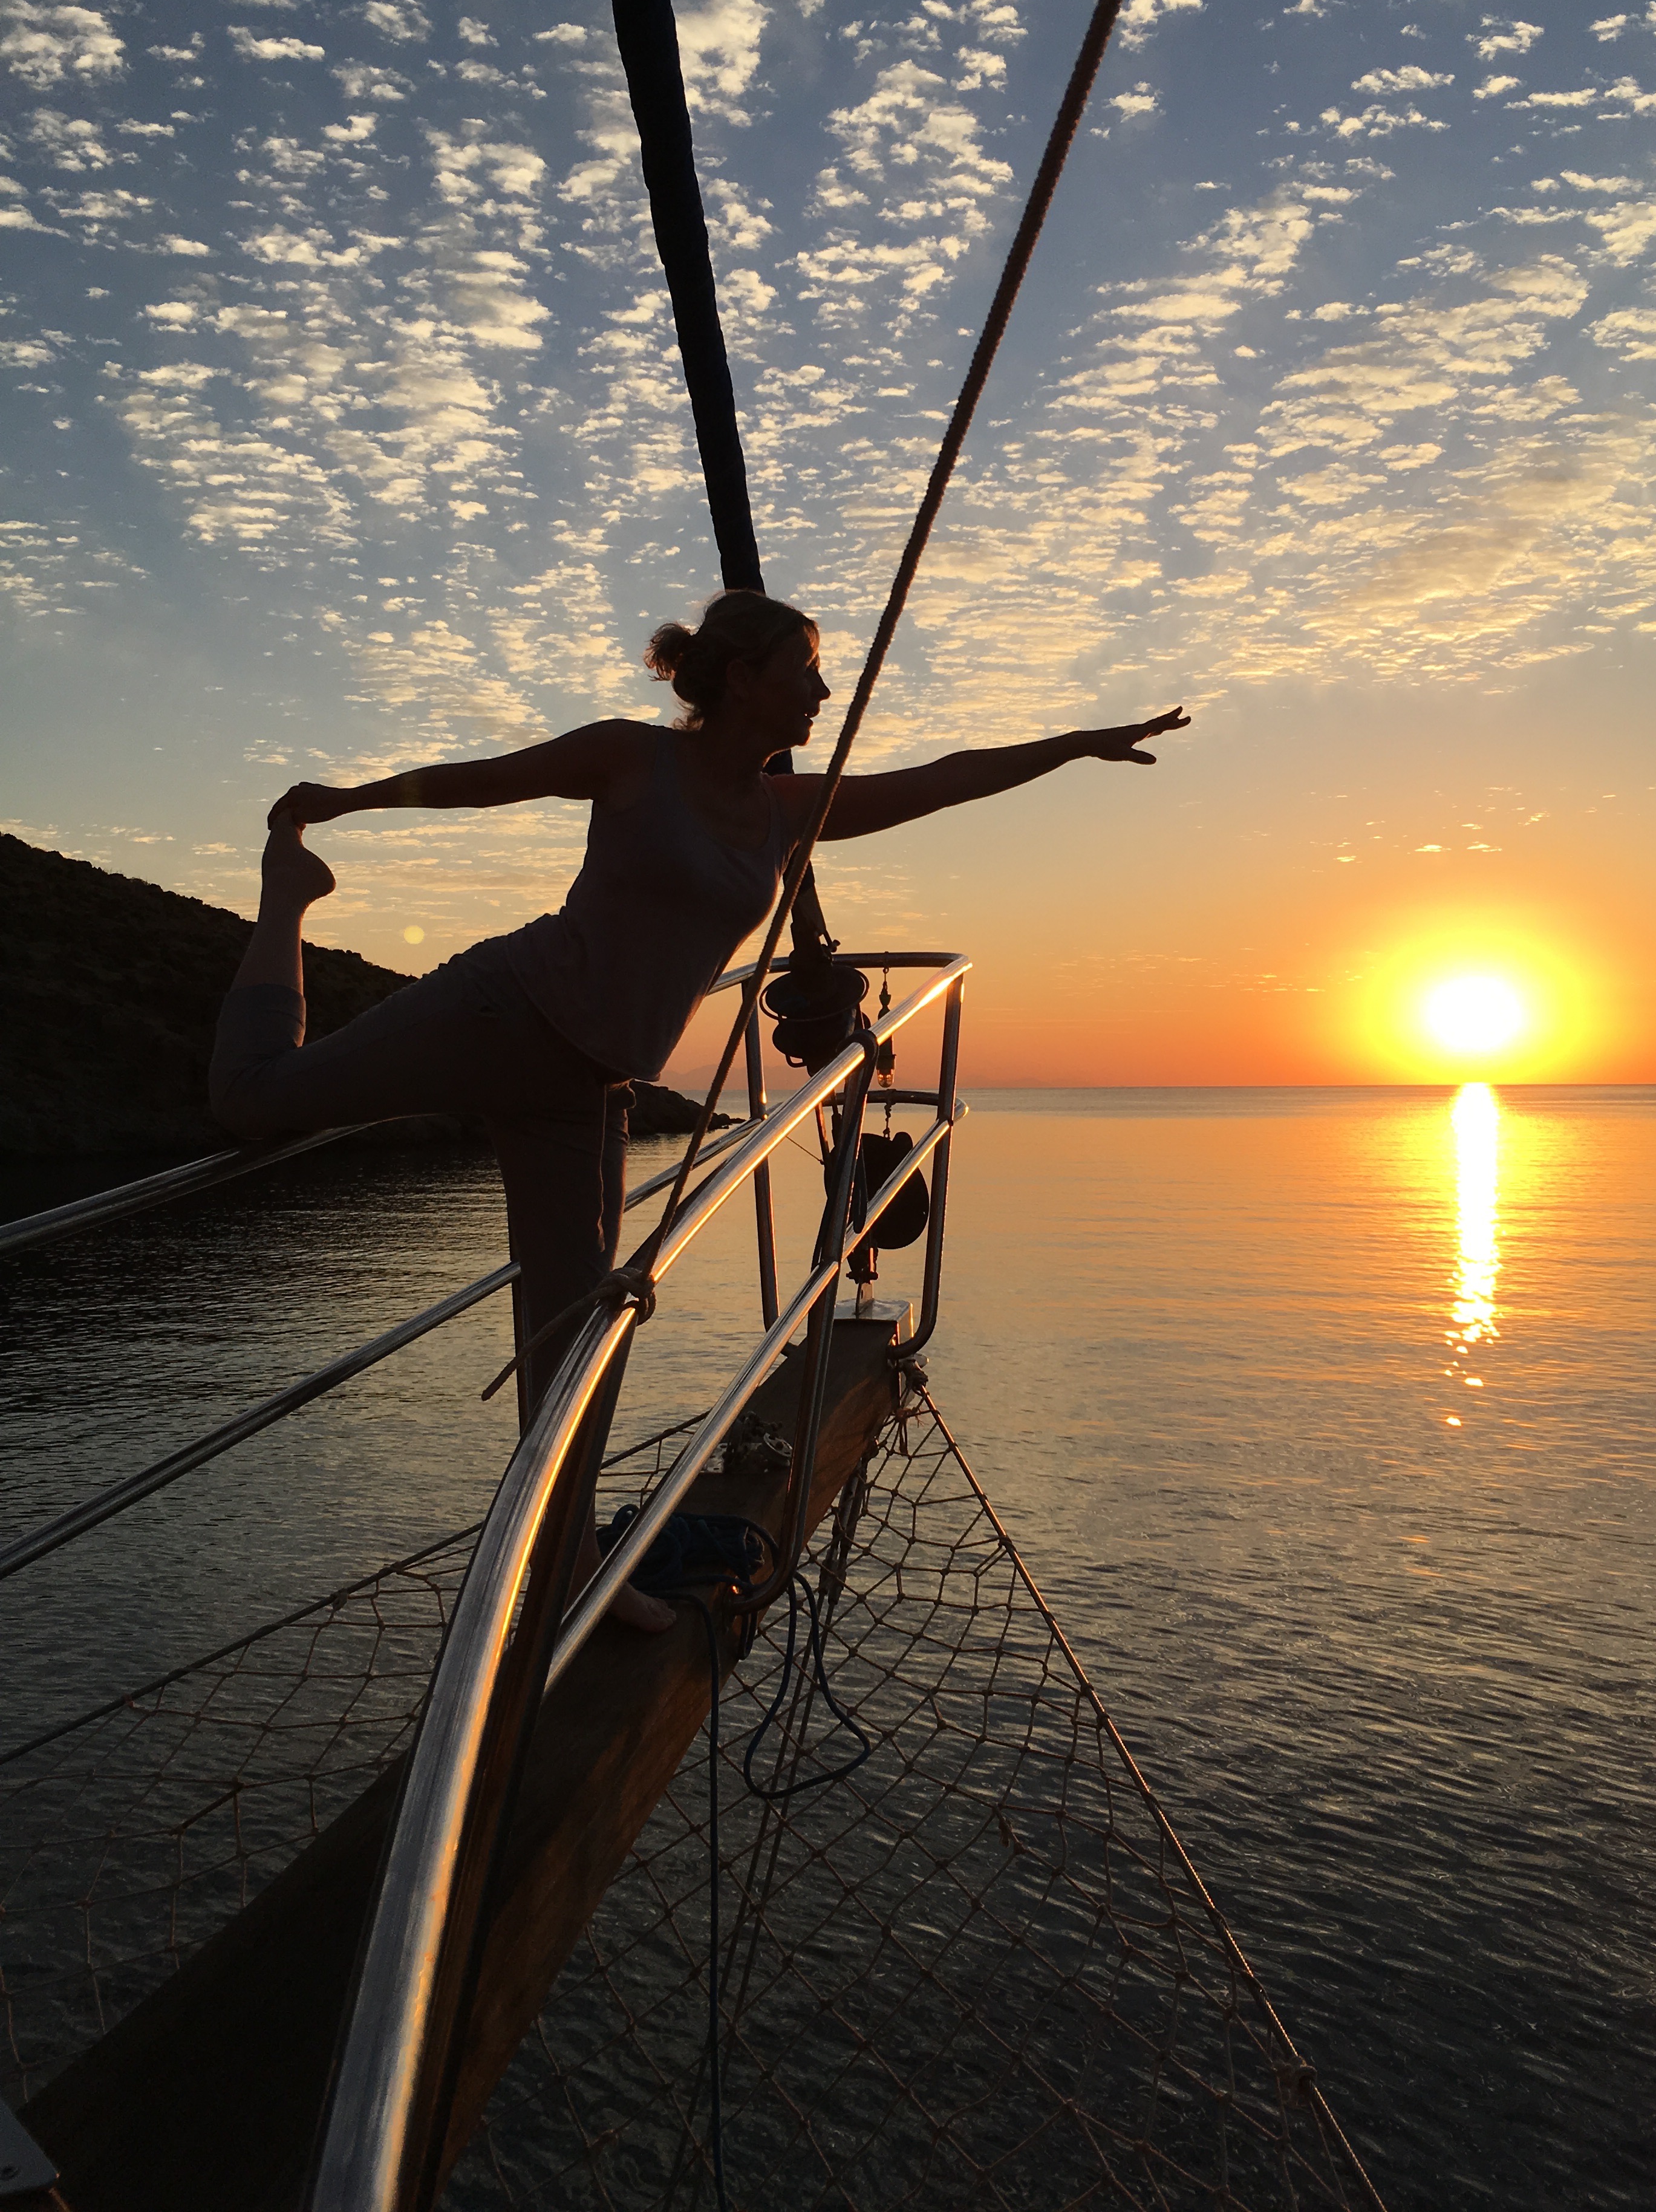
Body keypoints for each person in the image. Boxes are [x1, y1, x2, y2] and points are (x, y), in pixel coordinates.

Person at [211, 591, 1186, 1619]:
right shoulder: (632, 758)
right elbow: (486, 781)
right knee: (252, 1099)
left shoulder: (786, 811)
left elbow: (942, 782)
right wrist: (347, 799)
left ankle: (569, 1571)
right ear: (742, 677)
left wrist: (1079, 745)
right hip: (503, 1011)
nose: (824, 690)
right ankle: (287, 897)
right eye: (805, 669)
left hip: (588, 1092)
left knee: (578, 1347)